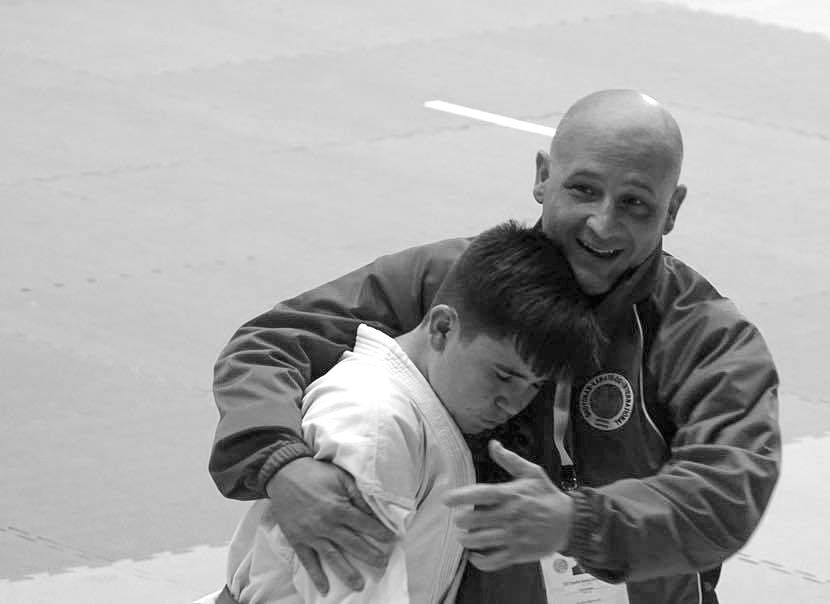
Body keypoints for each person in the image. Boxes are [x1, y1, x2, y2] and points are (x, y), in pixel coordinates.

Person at [209, 89, 781, 604]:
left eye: (635, 204)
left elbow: (729, 492)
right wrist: (282, 466)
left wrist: (577, 523)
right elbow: (269, 345)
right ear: (543, 176)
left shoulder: (704, 336)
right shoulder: (457, 281)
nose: (603, 225)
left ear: (672, 210)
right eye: (583, 190)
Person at [214, 221, 606, 603]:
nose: (513, 403)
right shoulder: (375, 422)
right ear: (442, 328)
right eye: (503, 375)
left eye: (534, 385)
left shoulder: (417, 411)